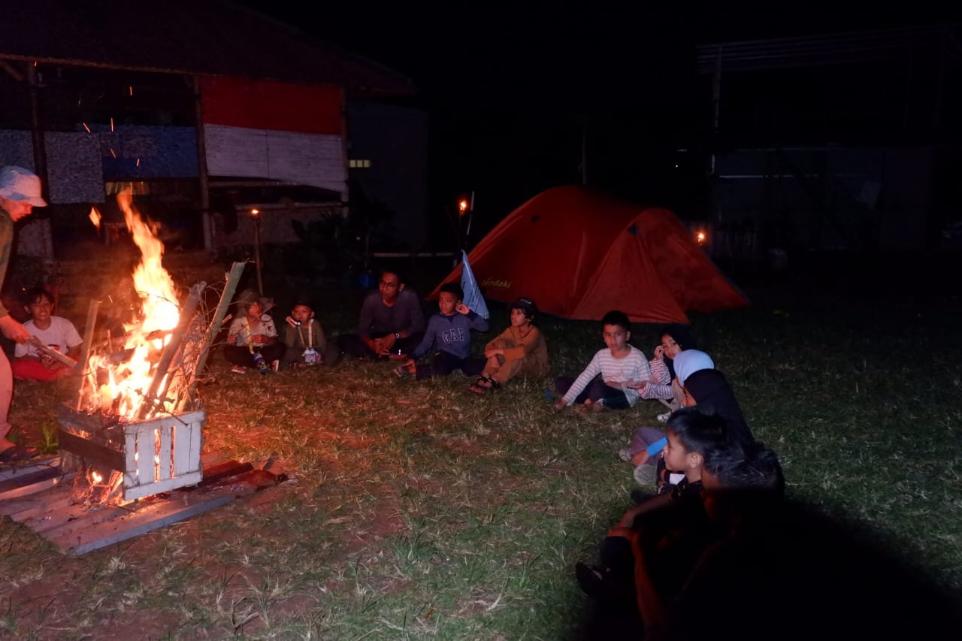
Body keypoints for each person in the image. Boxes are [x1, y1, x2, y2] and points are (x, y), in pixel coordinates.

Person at [0, 166, 46, 458]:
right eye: (25, 202)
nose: (29, 210)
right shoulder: (1, 223)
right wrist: (3, 318)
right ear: (4, 195)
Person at [553, 310, 650, 412]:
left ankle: (594, 403)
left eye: (617, 334)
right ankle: (593, 401)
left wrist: (622, 385)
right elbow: (586, 376)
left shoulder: (637, 357)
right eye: (608, 335)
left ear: (627, 335)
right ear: (603, 337)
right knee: (562, 383)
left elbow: (647, 384)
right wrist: (564, 400)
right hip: (603, 389)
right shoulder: (601, 355)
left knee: (599, 387)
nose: (613, 340)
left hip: (624, 395)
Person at [395, 283, 489, 380]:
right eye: (441, 300)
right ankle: (413, 369)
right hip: (446, 356)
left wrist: (470, 314)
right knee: (441, 367)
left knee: (476, 366)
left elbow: (485, 327)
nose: (443, 304)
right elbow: (426, 343)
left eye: (448, 301)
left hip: (464, 357)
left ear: (458, 302)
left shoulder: (464, 318)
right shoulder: (435, 320)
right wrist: (413, 356)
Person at [338, 269, 425, 359]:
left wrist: (395, 336)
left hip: (401, 337)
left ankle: (387, 354)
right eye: (382, 283)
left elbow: (418, 326)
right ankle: (388, 353)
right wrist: (371, 344)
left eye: (390, 285)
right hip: (380, 338)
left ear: (400, 287)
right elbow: (362, 329)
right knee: (345, 340)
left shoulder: (409, 296)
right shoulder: (371, 299)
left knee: (422, 339)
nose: (384, 288)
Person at [468, 297, 549, 394]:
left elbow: (521, 352)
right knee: (501, 343)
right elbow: (490, 345)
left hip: (534, 368)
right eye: (512, 313)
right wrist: (493, 356)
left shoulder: (535, 332)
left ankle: (496, 380)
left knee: (517, 355)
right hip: (514, 365)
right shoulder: (512, 329)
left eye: (518, 313)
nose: (513, 316)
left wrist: (497, 352)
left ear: (530, 318)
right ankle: (486, 376)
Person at [12, 286, 82, 382]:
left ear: (52, 306)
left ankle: (49, 377)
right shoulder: (23, 330)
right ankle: (54, 377)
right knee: (17, 367)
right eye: (36, 305)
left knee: (81, 359)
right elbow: (21, 356)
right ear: (28, 309)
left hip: (63, 361)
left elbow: (75, 347)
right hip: (39, 364)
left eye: (46, 304)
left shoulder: (64, 324)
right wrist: (40, 361)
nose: (43, 309)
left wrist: (59, 363)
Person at [224, 296, 285, 374]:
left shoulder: (267, 319)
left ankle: (247, 364)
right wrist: (231, 341)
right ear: (246, 309)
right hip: (246, 351)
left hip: (263, 350)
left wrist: (266, 339)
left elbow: (274, 340)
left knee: (280, 347)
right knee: (228, 351)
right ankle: (262, 364)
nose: (257, 308)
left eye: (258, 304)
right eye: (253, 306)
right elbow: (231, 342)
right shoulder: (238, 321)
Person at [280, 298, 338, 369]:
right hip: (302, 352)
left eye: (304, 311)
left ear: (311, 314)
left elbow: (322, 343)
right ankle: (310, 363)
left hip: (317, 351)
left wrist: (319, 354)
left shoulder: (315, 324)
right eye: (296, 312)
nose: (300, 314)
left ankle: (314, 363)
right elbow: (289, 344)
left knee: (332, 349)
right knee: (289, 352)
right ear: (292, 313)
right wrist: (291, 328)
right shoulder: (292, 326)